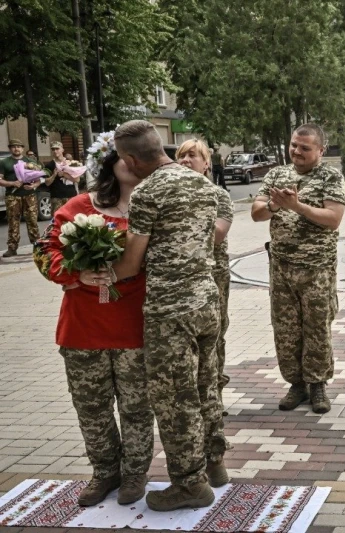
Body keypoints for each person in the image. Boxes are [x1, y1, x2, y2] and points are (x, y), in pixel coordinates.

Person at [104, 120, 226, 511]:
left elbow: (130, 264)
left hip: (170, 311)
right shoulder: (204, 186)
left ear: (129, 159)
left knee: (175, 398)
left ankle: (190, 485)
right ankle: (215, 463)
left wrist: (100, 271)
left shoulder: (148, 191)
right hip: (207, 301)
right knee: (207, 386)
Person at [32, 133, 153, 507]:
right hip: (84, 325)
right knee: (92, 407)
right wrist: (74, 275)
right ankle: (104, 472)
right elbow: (45, 250)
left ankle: (135, 473)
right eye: (122, 158)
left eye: (135, 158)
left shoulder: (155, 208)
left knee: (136, 406)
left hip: (136, 325)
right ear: (110, 164)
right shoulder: (79, 206)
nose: (130, 164)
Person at [250, 123, 345, 414]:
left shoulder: (330, 176)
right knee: (286, 329)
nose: (297, 151)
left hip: (316, 269)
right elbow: (256, 213)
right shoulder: (277, 174)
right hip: (281, 268)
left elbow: (333, 218)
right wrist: (274, 204)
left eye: (305, 147)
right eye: (294, 145)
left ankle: (318, 386)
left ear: (320, 150)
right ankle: (296, 384)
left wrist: (297, 206)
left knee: (316, 327)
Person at [176, 139, 235, 401]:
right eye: (181, 156)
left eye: (192, 156)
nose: (186, 160)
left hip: (213, 276)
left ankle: (214, 393)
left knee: (215, 335)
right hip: (180, 278)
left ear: (206, 164)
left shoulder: (218, 195)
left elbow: (218, 235)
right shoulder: (168, 195)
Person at [0, 139, 44, 257]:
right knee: (13, 222)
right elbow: (0, 180)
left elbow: (38, 180)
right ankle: (12, 247)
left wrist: (33, 186)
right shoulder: (5, 163)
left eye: (19, 146)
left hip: (29, 195)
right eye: (14, 147)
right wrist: (12, 183)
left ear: (22, 149)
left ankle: (37, 246)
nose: (16, 149)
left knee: (32, 221)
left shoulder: (29, 161)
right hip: (12, 196)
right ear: (10, 149)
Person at [44, 142, 81, 214]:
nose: (55, 151)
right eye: (53, 149)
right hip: (56, 196)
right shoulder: (49, 165)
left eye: (57, 149)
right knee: (57, 221)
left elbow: (77, 180)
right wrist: (54, 175)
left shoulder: (71, 163)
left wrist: (64, 174)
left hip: (71, 195)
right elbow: (47, 183)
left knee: (72, 220)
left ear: (62, 150)